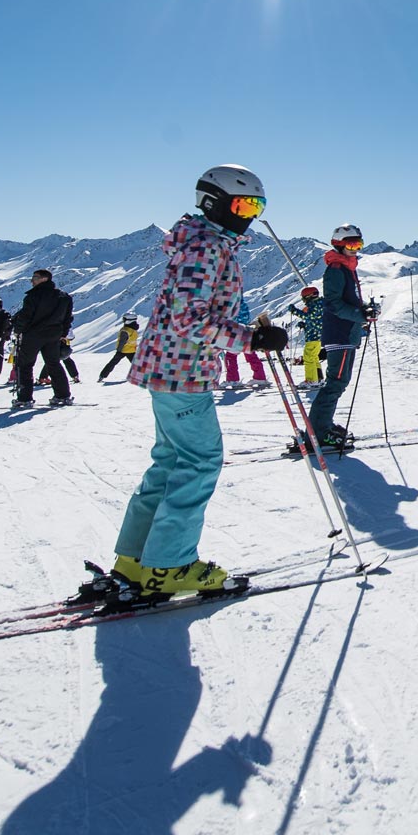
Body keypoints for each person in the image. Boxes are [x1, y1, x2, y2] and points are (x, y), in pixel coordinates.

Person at [111, 164, 288, 597]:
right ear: (214, 202)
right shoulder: (206, 247)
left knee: (170, 463)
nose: (249, 213)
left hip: (172, 367)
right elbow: (190, 319)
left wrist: (249, 337)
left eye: (257, 206)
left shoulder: (204, 243)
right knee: (199, 461)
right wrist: (252, 339)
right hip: (181, 369)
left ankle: (136, 560)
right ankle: (169, 565)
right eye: (244, 203)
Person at [305, 224, 376, 451]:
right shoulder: (336, 269)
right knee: (335, 383)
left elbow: (348, 300)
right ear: (338, 244)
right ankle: (318, 432)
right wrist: (359, 314)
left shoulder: (346, 267)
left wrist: (364, 310)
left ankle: (321, 426)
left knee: (338, 382)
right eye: (351, 244)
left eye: (359, 244)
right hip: (341, 333)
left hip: (346, 333)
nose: (355, 249)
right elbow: (334, 304)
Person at [12, 269, 74, 406]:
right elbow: (67, 318)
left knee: (25, 365)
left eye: (35, 277)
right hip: (54, 335)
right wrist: (63, 334)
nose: (32, 280)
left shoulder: (33, 296)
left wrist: (17, 330)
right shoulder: (64, 297)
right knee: (54, 364)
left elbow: (25, 316)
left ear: (44, 279)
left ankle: (24, 398)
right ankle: (63, 395)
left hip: (33, 335)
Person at [220, 297, 268, 385]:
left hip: (235, 333)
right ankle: (260, 376)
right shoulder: (243, 305)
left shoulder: (230, 305)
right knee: (250, 354)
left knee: (231, 356)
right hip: (246, 332)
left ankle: (232, 379)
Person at [287, 285, 323, 384]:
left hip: (313, 336)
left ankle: (312, 380)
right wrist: (306, 325)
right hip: (318, 336)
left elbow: (309, 316)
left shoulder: (314, 305)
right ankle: (319, 378)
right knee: (314, 357)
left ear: (308, 297)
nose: (304, 301)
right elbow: (315, 320)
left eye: (304, 299)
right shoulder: (320, 304)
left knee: (308, 358)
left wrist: (294, 311)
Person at [99, 314, 140, 381]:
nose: (123, 321)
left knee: (112, 363)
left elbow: (122, 341)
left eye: (124, 319)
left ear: (128, 321)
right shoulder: (134, 329)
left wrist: (119, 350)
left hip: (123, 350)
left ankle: (102, 376)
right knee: (136, 364)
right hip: (132, 350)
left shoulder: (125, 330)